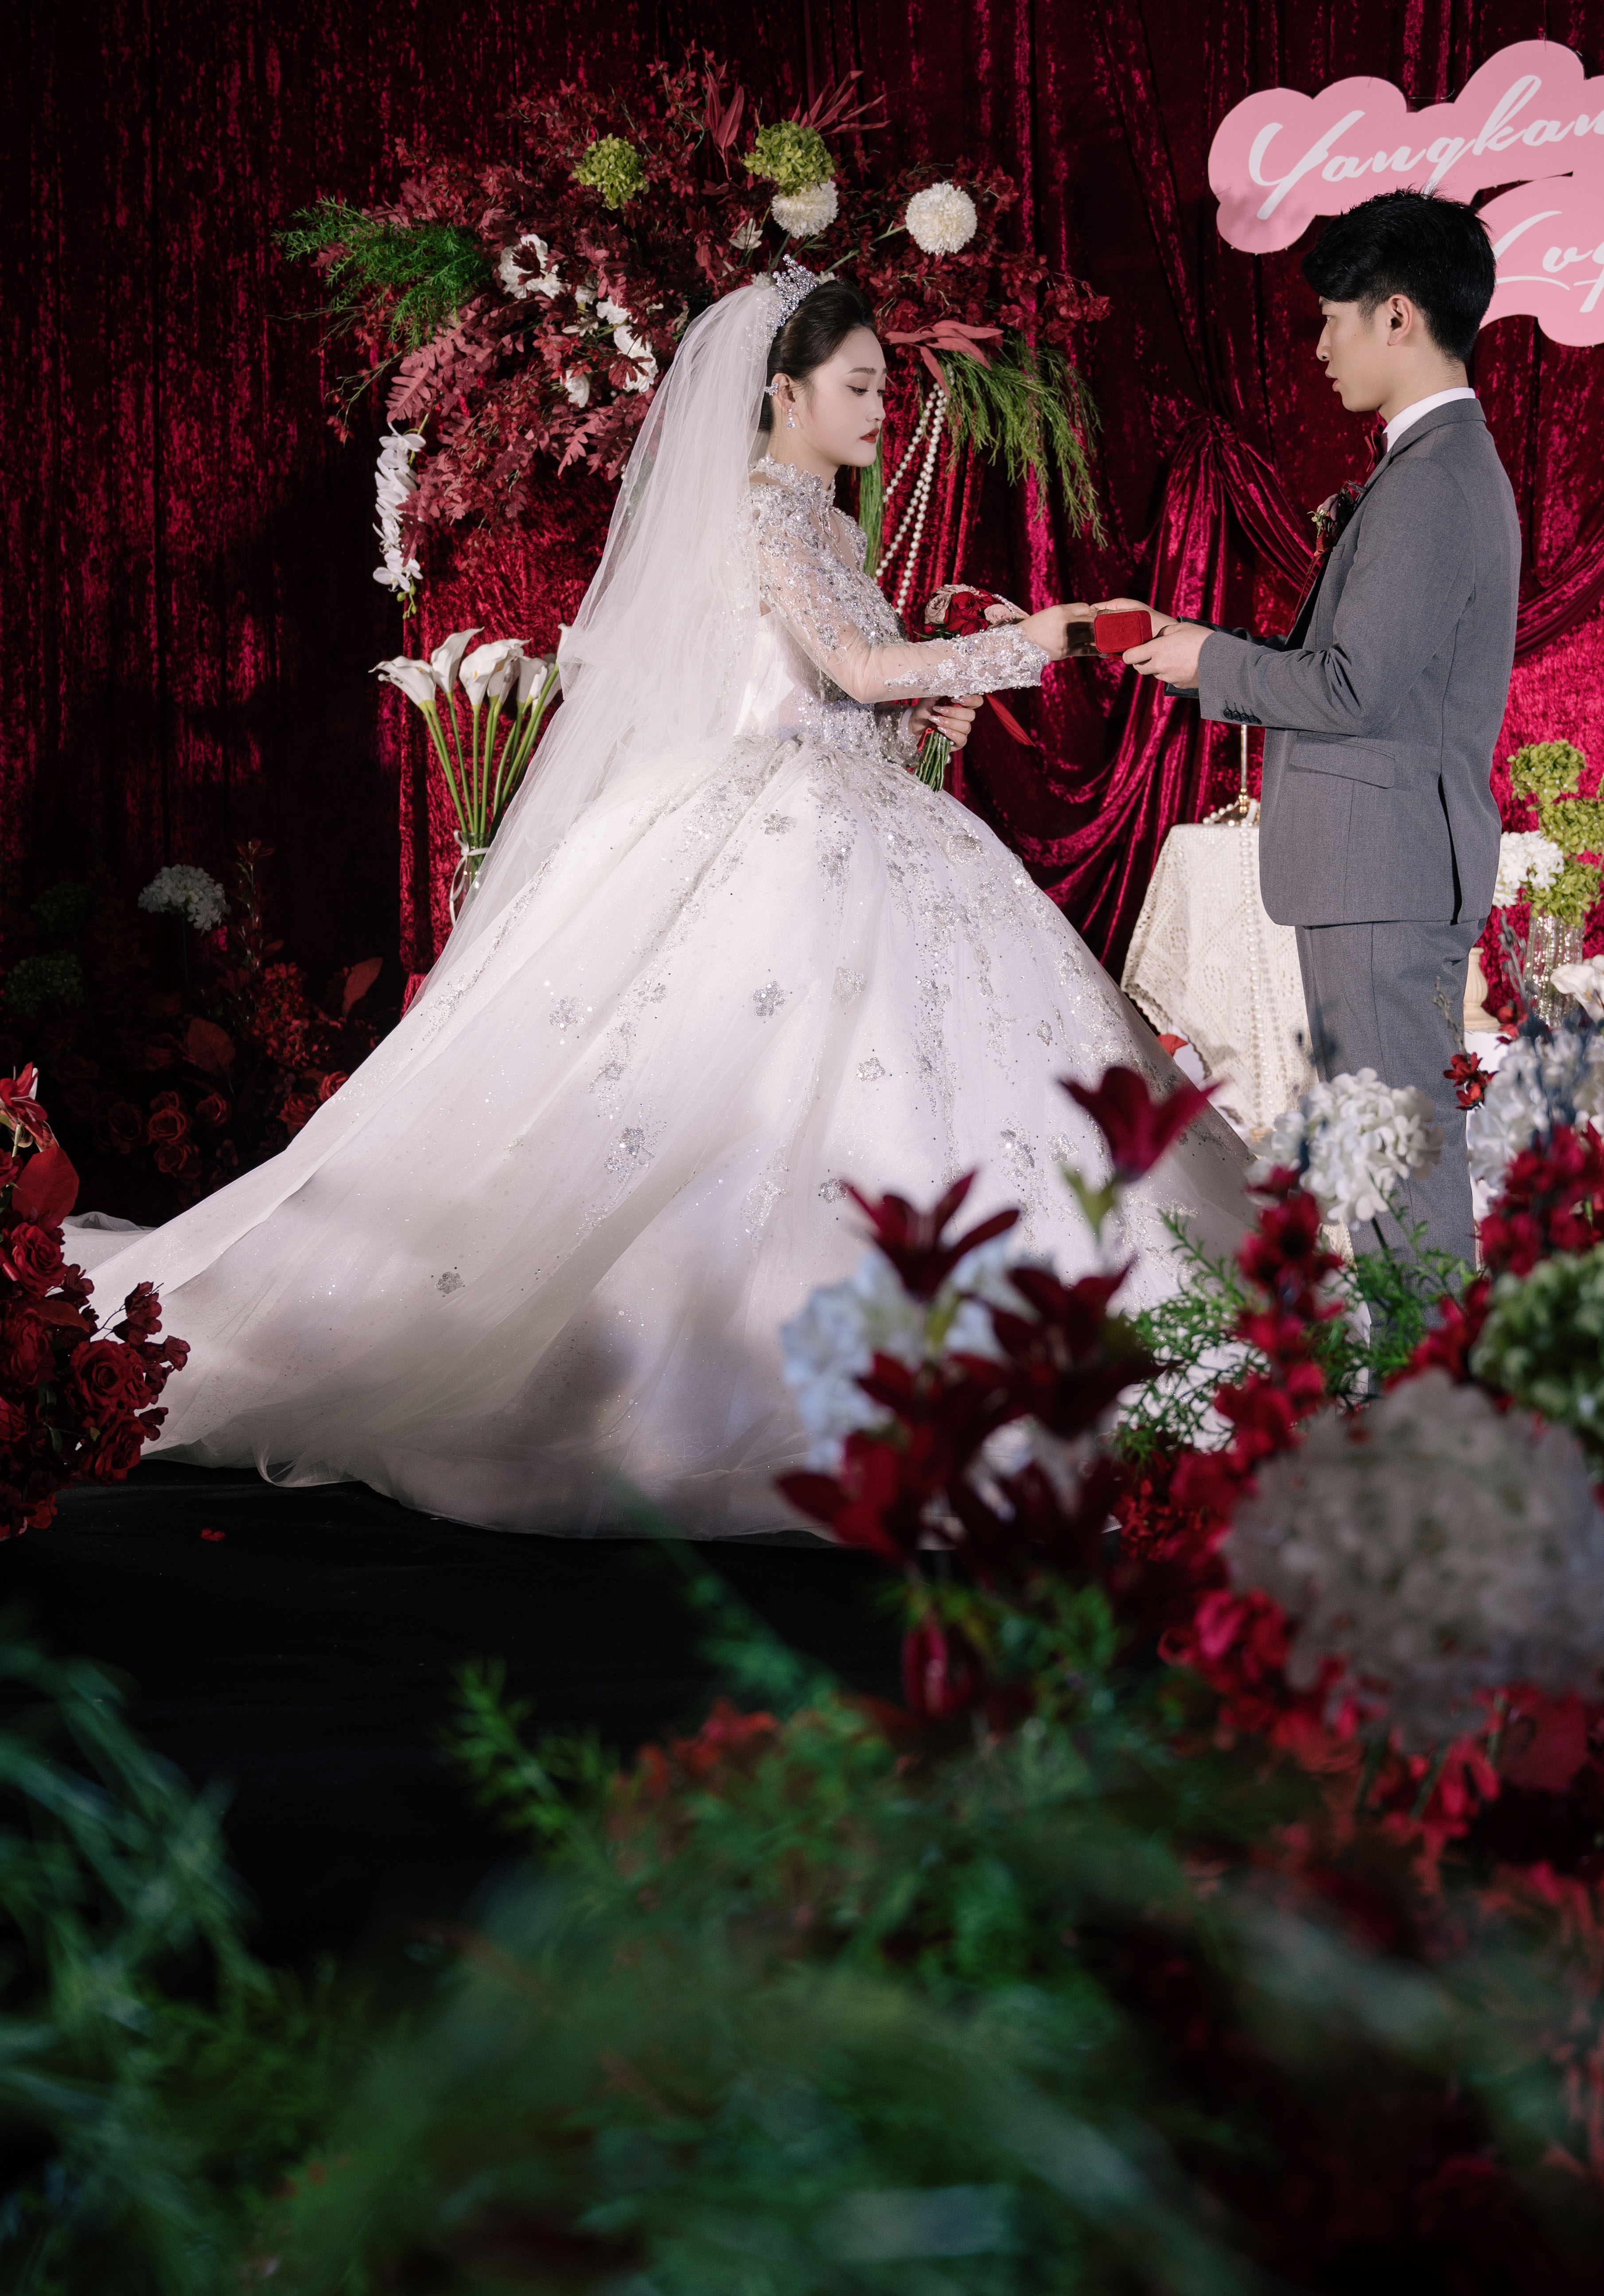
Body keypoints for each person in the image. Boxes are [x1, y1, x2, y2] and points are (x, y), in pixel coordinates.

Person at [69, 266, 1252, 1538]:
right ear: (784, 393)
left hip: (856, 821)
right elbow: (860, 668)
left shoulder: (831, 531)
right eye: (858, 387)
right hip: (777, 835)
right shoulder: (763, 515)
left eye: (882, 389)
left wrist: (927, 725)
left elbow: (846, 704)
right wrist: (1052, 638)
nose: (879, 411)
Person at [1106, 190, 1520, 1262]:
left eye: (1332, 319)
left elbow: (1350, 691)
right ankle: (1415, 1358)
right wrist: (1199, 648)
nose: (1321, 348)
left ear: (1397, 316)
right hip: (1379, 870)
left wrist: (1209, 661)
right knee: (1385, 1166)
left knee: (1396, 1172)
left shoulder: (1431, 481)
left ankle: (1426, 1366)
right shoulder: (1433, 466)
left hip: (1382, 874)